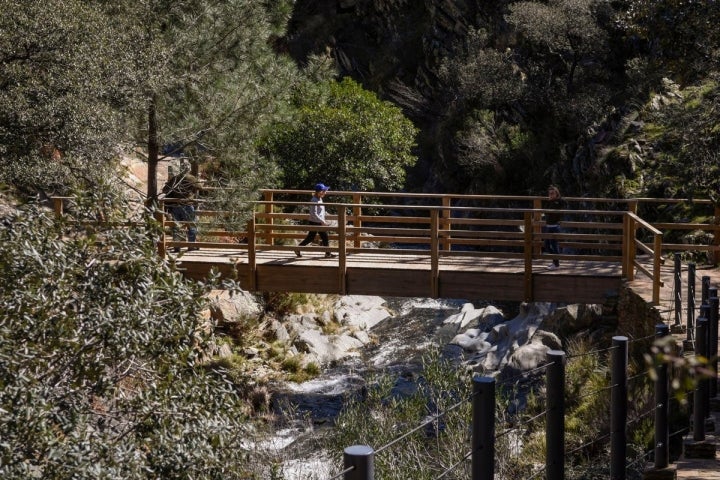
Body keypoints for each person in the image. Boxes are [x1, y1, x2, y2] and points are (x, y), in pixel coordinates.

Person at [162, 171, 203, 252]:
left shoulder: (175, 178)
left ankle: (177, 246)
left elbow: (165, 190)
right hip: (187, 205)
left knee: (176, 226)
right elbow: (200, 187)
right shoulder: (191, 178)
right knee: (191, 225)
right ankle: (191, 245)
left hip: (175, 205)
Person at [296, 183, 335, 258]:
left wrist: (323, 218)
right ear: (320, 192)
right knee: (323, 237)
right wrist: (322, 221)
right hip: (315, 222)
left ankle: (298, 248)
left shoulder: (319, 198)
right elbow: (313, 213)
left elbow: (320, 212)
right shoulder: (314, 200)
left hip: (318, 221)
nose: (325, 192)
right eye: (324, 191)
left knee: (314, 238)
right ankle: (328, 253)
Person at [543, 185, 565, 269]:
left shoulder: (558, 202)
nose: (550, 195)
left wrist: (557, 199)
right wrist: (550, 201)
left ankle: (556, 264)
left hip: (555, 227)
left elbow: (562, 204)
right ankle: (555, 262)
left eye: (552, 193)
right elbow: (546, 212)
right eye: (549, 193)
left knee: (553, 245)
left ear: (556, 194)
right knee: (547, 245)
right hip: (549, 226)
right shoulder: (551, 202)